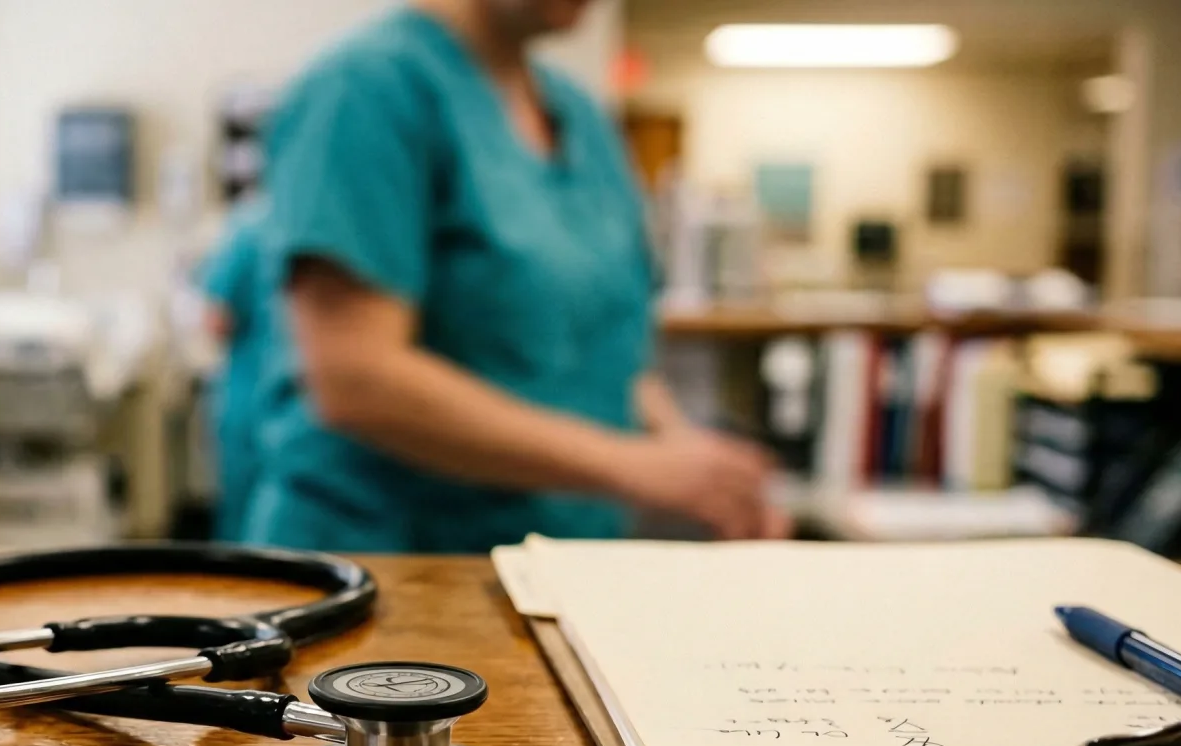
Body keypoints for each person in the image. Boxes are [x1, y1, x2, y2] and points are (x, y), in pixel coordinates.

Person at [238, 0, 790, 552]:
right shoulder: (365, 91)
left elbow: (604, 356)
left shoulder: (580, 116)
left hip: (561, 556)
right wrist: (633, 466)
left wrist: (698, 470)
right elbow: (355, 378)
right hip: (398, 563)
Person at [198, 196, 272, 541]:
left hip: (249, 397)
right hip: (299, 403)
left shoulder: (249, 225)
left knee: (243, 523)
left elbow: (217, 321)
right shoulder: (316, 218)